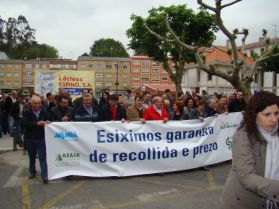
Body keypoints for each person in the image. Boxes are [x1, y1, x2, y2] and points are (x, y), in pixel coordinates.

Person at [220, 91, 279, 209]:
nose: (274, 119)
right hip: (241, 203)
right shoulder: (243, 136)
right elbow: (247, 177)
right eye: (267, 115)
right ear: (254, 116)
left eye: (276, 113)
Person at [22, 95, 50, 184]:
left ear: (40, 104)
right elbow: (25, 125)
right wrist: (36, 124)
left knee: (42, 157)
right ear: (31, 103)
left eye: (38, 103)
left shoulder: (44, 112)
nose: (36, 105)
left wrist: (48, 122)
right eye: (34, 104)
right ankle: (32, 172)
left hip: (41, 138)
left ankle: (44, 176)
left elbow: (48, 120)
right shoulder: (26, 112)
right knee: (32, 157)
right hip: (30, 138)